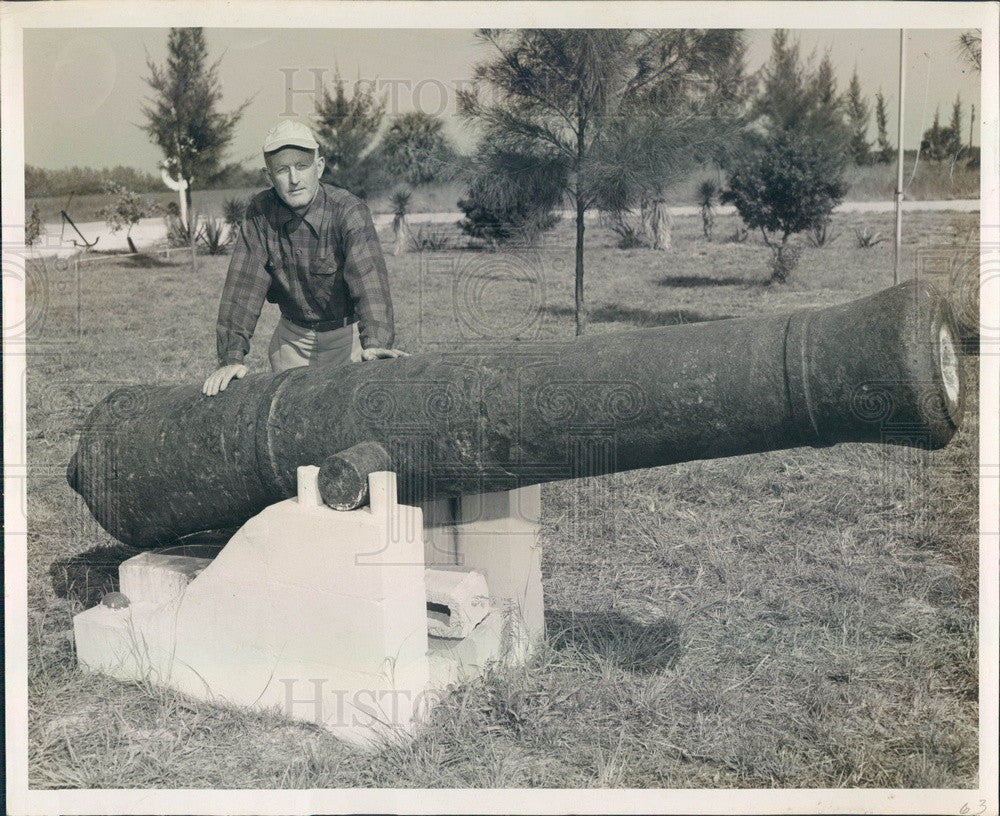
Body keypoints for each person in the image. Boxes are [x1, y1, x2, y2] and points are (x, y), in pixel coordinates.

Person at [203, 119, 407, 396]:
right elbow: (242, 289)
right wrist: (230, 359)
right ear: (268, 177)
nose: (294, 178)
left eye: (302, 166)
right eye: (282, 170)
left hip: (347, 342)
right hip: (291, 343)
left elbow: (369, 283)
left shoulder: (349, 211)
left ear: (319, 167)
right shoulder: (259, 213)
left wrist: (376, 344)